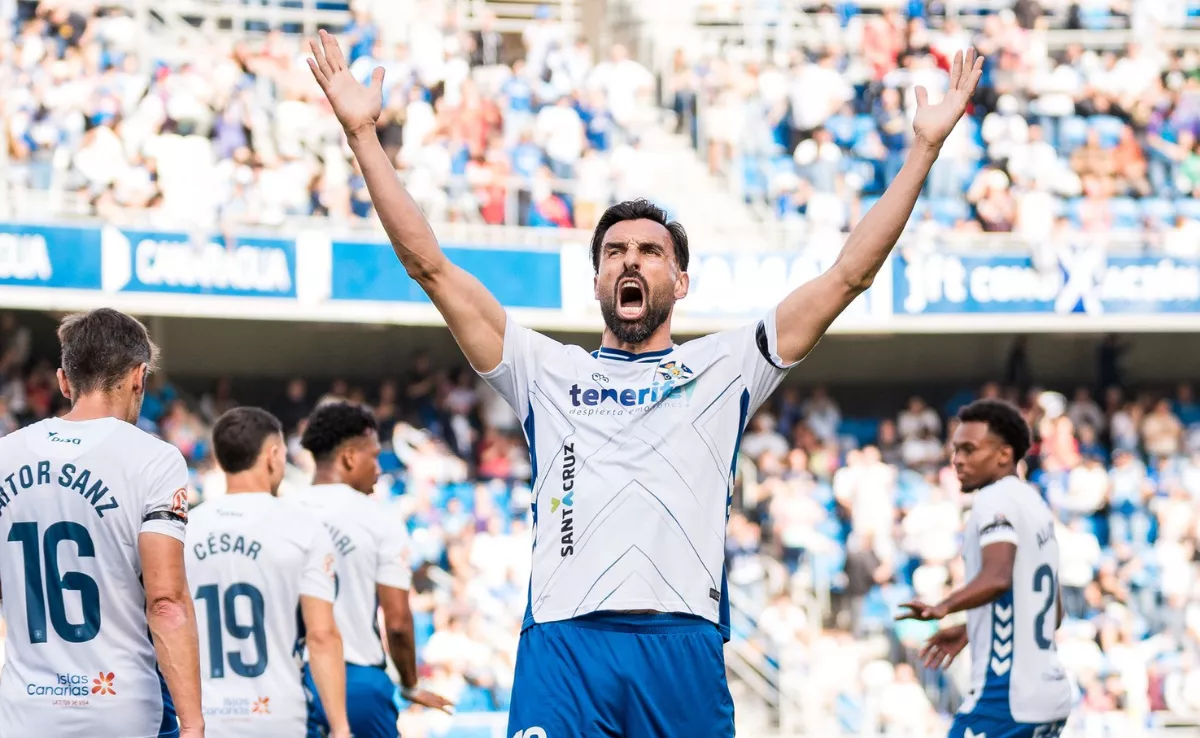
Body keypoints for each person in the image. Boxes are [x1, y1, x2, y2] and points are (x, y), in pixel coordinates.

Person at [307, 29, 983, 738]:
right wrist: (362, 135)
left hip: (680, 649)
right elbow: (431, 267)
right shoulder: (544, 368)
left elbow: (850, 275)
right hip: (566, 649)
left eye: (651, 252)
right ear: (597, 278)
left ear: (680, 280)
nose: (632, 260)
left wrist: (923, 151)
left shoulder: (727, 365)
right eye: (616, 252)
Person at [0, 308, 203, 737]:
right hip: (118, 711)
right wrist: (193, 724)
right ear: (139, 377)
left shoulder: (6, 455)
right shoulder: (154, 459)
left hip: (24, 713)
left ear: (64, 381)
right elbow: (165, 602)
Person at [897, 399, 1072, 738]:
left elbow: (998, 576)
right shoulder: (1033, 503)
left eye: (969, 449)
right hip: (1049, 695)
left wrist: (941, 607)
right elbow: (1053, 613)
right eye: (955, 450)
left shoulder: (994, 499)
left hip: (1006, 698)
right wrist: (970, 629)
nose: (957, 460)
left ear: (1004, 455)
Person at [185, 407, 350, 738]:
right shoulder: (303, 527)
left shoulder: (185, 529)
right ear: (273, 456)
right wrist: (341, 727)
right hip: (279, 715)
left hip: (204, 719)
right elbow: (321, 636)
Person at [292, 401, 453, 738]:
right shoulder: (379, 517)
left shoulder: (282, 512)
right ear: (349, 457)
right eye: (374, 456)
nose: (379, 470)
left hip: (289, 685)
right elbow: (396, 622)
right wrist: (409, 684)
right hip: (356, 684)